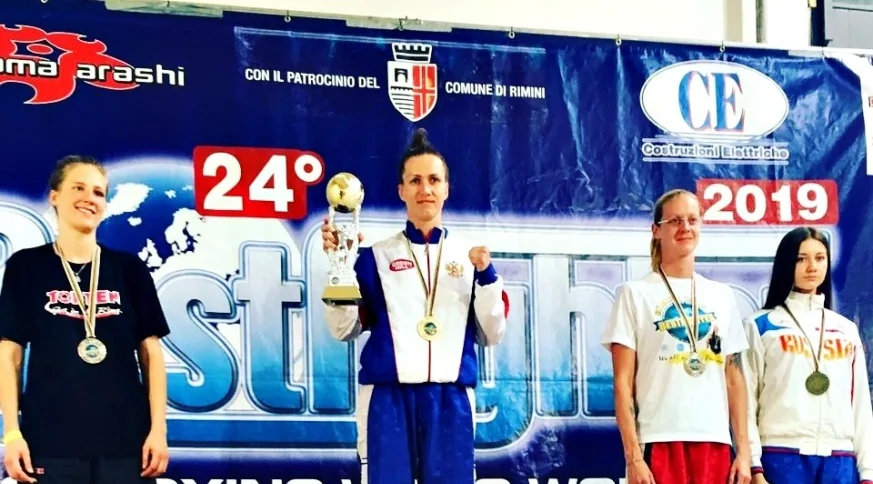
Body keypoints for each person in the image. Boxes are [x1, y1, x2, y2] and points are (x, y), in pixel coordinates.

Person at [320, 128, 510, 484]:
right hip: (387, 397)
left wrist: (487, 277)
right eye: (415, 180)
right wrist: (339, 266)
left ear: (446, 189)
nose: (425, 189)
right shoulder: (375, 257)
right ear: (401, 190)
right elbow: (344, 328)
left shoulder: (471, 258)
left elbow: (492, 334)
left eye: (434, 180)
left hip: (451, 398)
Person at [0, 155, 171, 484]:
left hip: (127, 445)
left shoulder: (129, 269)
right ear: (55, 196)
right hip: (50, 443)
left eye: (98, 192)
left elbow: (151, 355)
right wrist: (12, 433)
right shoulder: (27, 267)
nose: (89, 198)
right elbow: (9, 355)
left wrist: (158, 430)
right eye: (78, 188)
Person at [601, 188, 752, 484]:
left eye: (693, 220)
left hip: (714, 441)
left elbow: (734, 380)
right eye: (675, 221)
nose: (685, 227)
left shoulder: (722, 295)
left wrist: (744, 453)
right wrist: (633, 457)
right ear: (656, 231)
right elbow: (622, 382)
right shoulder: (634, 294)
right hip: (658, 439)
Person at [741, 227, 873, 484]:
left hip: (840, 459)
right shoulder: (759, 325)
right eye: (801, 259)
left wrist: (867, 472)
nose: (812, 267)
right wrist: (754, 465)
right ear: (786, 263)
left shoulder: (846, 329)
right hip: (780, 455)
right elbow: (746, 400)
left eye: (820, 258)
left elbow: (860, 405)